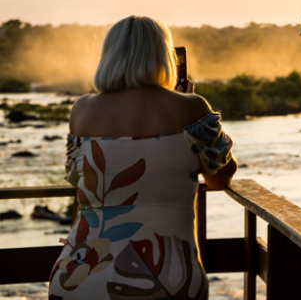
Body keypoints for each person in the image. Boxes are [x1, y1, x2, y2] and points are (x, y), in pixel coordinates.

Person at [48, 15, 238, 300]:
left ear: (110, 56)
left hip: (79, 273)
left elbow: (77, 181)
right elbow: (219, 178)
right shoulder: (192, 108)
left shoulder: (82, 110)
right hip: (166, 279)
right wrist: (194, 113)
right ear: (164, 56)